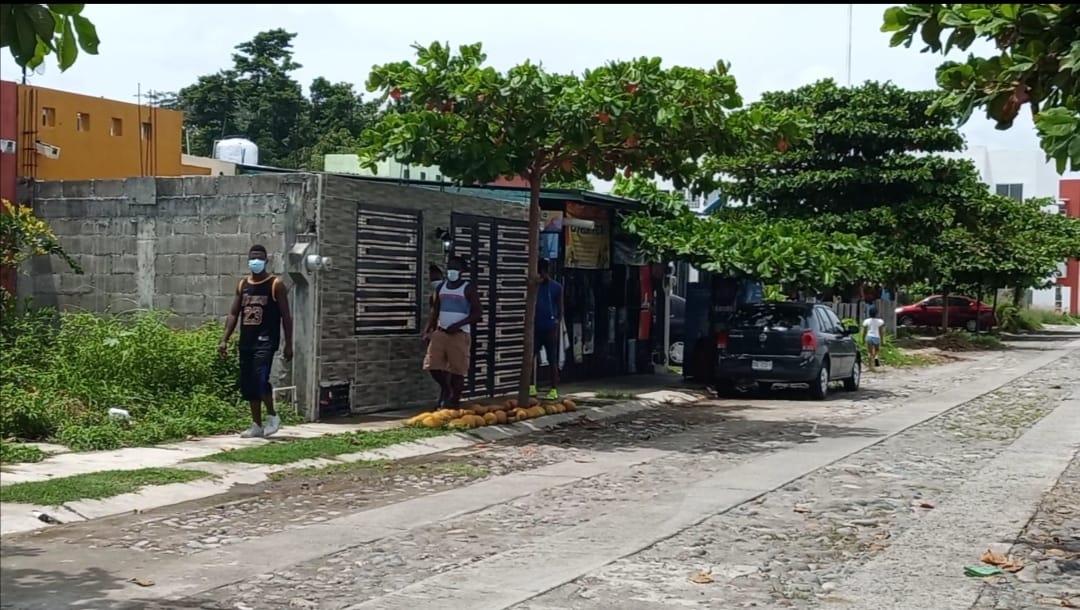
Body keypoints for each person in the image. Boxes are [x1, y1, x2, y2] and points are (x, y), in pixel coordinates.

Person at [219, 244, 293, 438]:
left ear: (266, 261)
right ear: (248, 260)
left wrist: (289, 344)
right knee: (249, 383)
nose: (256, 261)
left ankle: (272, 416)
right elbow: (234, 313)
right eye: (253, 258)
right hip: (246, 341)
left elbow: (286, 316)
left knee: (261, 379)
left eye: (259, 258)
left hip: (266, 341)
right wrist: (224, 339)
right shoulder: (243, 285)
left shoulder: (275, 284)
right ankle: (256, 425)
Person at [423, 256, 482, 407]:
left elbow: (477, 313)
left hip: (459, 334)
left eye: (455, 268)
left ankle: (454, 401)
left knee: (457, 370)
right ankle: (446, 388)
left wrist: (459, 324)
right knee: (433, 365)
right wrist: (428, 329)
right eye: (450, 267)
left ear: (461, 270)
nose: (452, 270)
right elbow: (435, 310)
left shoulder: (468, 289)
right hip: (441, 332)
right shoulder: (440, 288)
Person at [530, 258, 564, 400]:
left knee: (552, 359)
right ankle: (531, 385)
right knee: (531, 357)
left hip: (549, 328)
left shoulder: (556, 287)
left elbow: (560, 309)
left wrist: (556, 323)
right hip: (536, 327)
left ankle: (554, 388)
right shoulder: (534, 286)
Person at [861, 305, 886, 370]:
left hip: (869, 337)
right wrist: (882, 340)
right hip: (876, 337)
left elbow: (864, 332)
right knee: (877, 350)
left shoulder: (866, 321)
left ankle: (870, 367)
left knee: (869, 352)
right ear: (876, 313)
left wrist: (863, 339)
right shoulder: (880, 321)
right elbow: (881, 332)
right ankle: (876, 357)